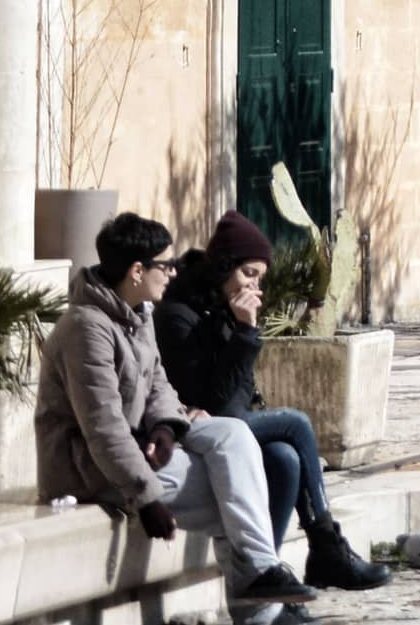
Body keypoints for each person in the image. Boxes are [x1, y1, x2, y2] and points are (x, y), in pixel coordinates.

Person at [35, 210, 317, 625]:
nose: (172, 272)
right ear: (136, 270)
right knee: (230, 490)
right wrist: (146, 498)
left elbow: (159, 387)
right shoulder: (86, 329)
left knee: (233, 434)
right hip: (87, 471)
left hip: (134, 452)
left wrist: (167, 427)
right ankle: (259, 608)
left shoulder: (138, 314)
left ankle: (259, 578)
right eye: (163, 265)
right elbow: (103, 427)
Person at [154, 210, 388, 593]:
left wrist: (241, 330)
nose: (255, 285)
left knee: (284, 457)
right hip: (194, 431)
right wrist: (245, 332)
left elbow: (241, 393)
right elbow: (222, 408)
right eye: (248, 273)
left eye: (260, 277)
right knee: (295, 423)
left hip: (228, 426)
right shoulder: (180, 315)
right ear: (224, 267)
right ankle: (325, 544)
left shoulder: (227, 310)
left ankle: (269, 581)